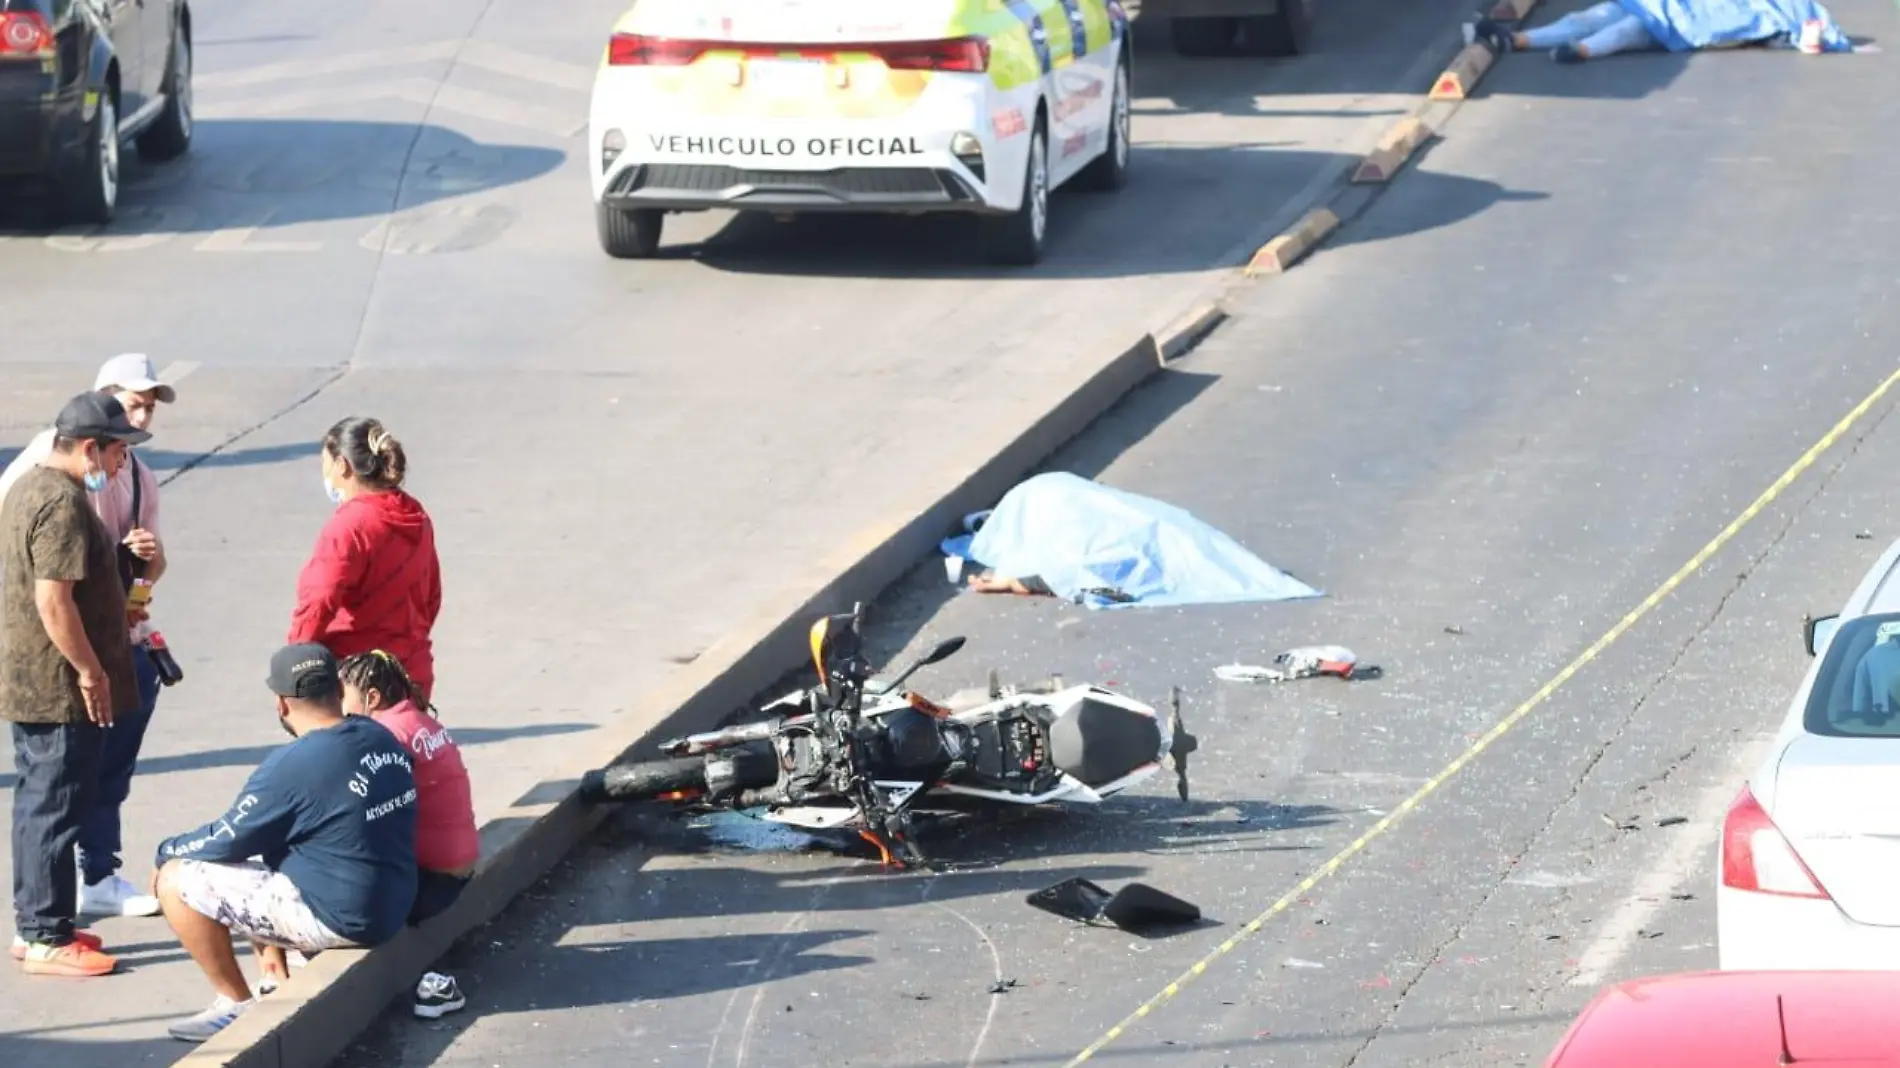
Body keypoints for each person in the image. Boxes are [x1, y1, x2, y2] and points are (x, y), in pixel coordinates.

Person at [150, 643, 419, 1042]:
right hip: (396, 899)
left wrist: (166, 851)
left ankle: (234, 1004)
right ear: (339, 690)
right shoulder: (376, 734)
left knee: (175, 880)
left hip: (346, 918)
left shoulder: (290, 765)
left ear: (281, 703)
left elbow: (225, 841)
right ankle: (275, 973)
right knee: (272, 844)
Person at [0, 353, 178, 919]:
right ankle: (44, 928)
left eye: (147, 411)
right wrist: (90, 671)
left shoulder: (130, 480)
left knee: (79, 785)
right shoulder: (53, 494)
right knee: (52, 800)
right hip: (60, 673)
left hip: (102, 652)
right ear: (90, 443)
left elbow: (146, 570)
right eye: (126, 423)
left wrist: (141, 581)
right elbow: (52, 599)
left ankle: (82, 887)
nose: (139, 434)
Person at [338, 649, 475, 1018]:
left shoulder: (384, 735)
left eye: (342, 697)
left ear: (371, 698)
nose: (338, 709)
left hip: (428, 885)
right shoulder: (422, 723)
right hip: (458, 870)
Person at [288, 417, 442, 705]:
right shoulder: (414, 515)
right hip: (412, 674)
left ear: (342, 465)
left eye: (325, 463)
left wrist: (294, 669)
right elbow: (430, 597)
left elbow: (317, 602)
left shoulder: (349, 526)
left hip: (358, 685)